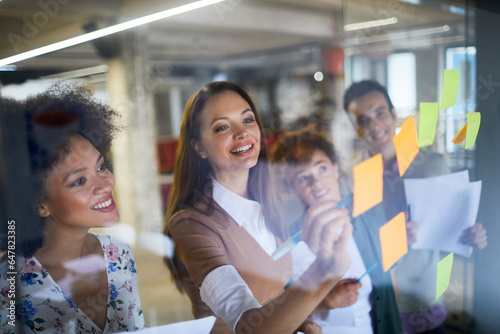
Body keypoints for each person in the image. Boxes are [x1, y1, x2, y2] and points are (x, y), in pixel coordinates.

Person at [162, 81, 352, 334]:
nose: (242, 133)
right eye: (222, 127)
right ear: (199, 147)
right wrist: (323, 272)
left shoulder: (268, 204)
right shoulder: (191, 225)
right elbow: (249, 328)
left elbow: (278, 296)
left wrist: (300, 320)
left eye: (248, 120)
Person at [343, 80, 487, 334]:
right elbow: (352, 252)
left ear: (393, 115)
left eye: (380, 113)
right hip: (375, 310)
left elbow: (450, 240)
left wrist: (470, 238)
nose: (374, 125)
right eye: (363, 120)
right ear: (354, 127)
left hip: (424, 306)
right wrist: (392, 242)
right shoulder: (350, 180)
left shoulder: (432, 165)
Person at [0, 85, 145, 333]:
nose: (105, 184)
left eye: (100, 167)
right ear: (39, 203)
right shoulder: (8, 288)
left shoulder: (118, 254)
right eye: (79, 181)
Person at [270, 127, 403, 334]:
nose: (317, 183)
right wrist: (324, 302)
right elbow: (273, 314)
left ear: (335, 168)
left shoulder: (370, 213)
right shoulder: (287, 242)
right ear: (294, 186)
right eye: (303, 178)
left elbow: (391, 281)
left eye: (321, 168)